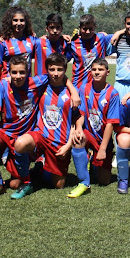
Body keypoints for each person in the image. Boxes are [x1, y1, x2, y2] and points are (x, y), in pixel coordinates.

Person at [14, 53, 84, 196]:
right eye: (52, 69)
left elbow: (78, 118)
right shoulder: (41, 87)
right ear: (47, 70)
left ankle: (41, 166)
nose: (56, 73)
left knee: (58, 185)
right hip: (41, 135)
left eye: (59, 70)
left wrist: (68, 145)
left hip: (60, 142)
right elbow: (21, 82)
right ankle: (27, 181)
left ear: (65, 70)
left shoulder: (73, 93)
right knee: (20, 143)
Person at [0, 56, 48, 199]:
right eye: (14, 72)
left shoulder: (36, 82)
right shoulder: (4, 85)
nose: (18, 76)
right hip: (7, 131)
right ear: (9, 73)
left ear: (28, 72)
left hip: (29, 133)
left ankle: (27, 182)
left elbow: (58, 75)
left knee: (20, 147)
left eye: (22, 72)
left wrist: (73, 92)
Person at [77, 58, 121, 188]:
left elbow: (110, 124)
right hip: (88, 134)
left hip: (103, 140)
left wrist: (102, 149)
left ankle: (93, 159)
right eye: (94, 69)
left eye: (100, 70)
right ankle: (83, 180)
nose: (97, 72)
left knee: (103, 181)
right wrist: (78, 128)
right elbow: (82, 114)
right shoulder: (84, 88)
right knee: (78, 136)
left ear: (107, 72)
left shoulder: (113, 93)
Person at [66, 14, 113, 89]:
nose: (87, 32)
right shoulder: (73, 42)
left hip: (97, 88)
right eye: (84, 29)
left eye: (90, 29)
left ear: (95, 27)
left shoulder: (101, 38)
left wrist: (120, 32)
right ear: (79, 28)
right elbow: (61, 59)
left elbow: (123, 35)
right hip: (78, 87)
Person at [0, 6, 37, 79]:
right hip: (8, 83)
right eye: (15, 20)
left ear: (26, 22)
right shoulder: (3, 42)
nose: (19, 23)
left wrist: (61, 36)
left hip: (26, 83)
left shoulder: (32, 40)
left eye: (22, 20)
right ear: (10, 22)